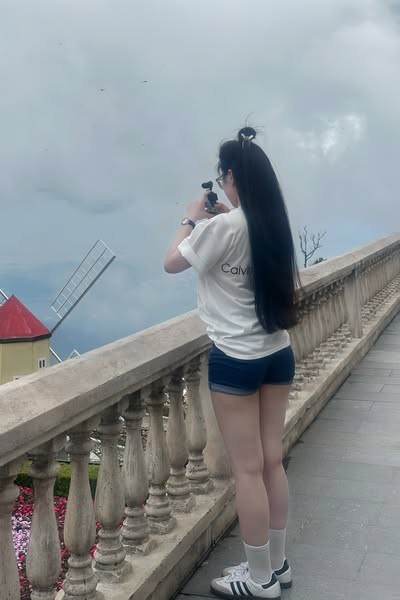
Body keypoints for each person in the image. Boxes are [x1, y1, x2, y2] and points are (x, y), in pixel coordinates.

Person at [164, 126, 301, 599]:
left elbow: (172, 262)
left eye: (222, 178)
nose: (221, 185)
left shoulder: (220, 228)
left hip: (236, 359)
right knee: (271, 461)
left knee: (247, 470)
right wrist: (221, 219)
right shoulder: (271, 222)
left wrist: (189, 219)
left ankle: (259, 579)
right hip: (277, 352)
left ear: (231, 177)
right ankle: (277, 565)